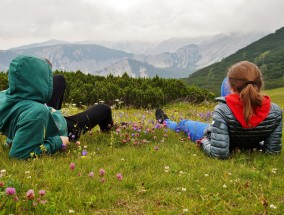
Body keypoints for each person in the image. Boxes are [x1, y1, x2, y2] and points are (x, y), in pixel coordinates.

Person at [156, 61, 282, 159]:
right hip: (249, 139)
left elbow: (219, 154)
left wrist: (204, 141)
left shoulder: (222, 111)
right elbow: (272, 151)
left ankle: (164, 121)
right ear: (259, 85)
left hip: (220, 134)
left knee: (184, 124)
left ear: (232, 89)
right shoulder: (276, 111)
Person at [0, 55, 113, 159]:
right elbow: (19, 154)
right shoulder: (36, 113)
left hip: (39, 115)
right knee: (104, 109)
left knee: (59, 79)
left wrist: (49, 110)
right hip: (59, 129)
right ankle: (109, 128)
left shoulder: (4, 95)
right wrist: (58, 142)